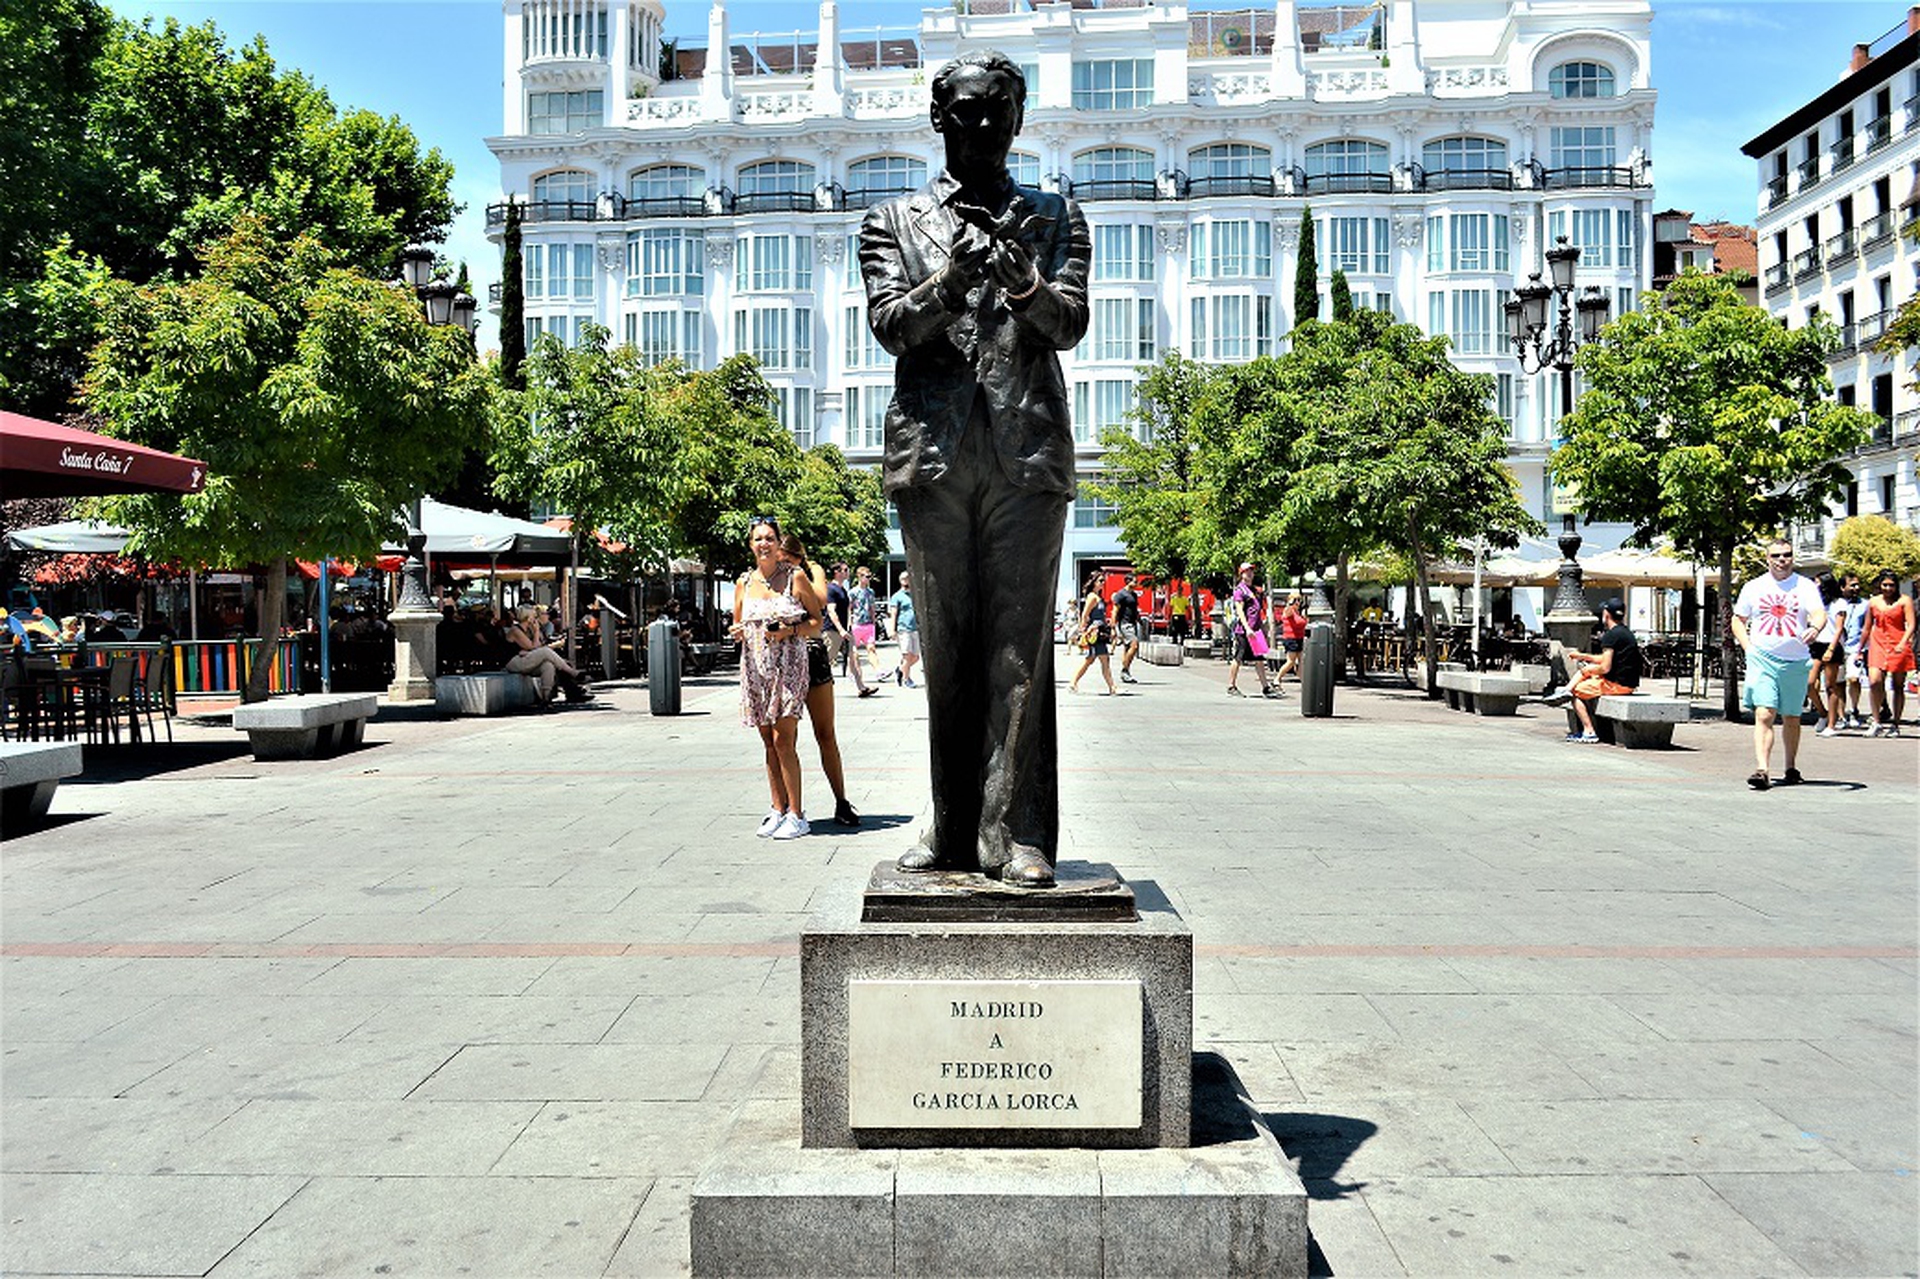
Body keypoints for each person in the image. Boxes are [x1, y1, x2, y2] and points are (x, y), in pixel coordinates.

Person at [859, 49, 1090, 887]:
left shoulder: (1057, 215)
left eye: (998, 110)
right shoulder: (891, 221)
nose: (984, 125)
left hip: (1027, 452)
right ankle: (953, 825)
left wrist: (1028, 288)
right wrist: (951, 282)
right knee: (948, 646)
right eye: (966, 111)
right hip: (933, 453)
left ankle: (1011, 832)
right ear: (938, 118)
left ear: (1020, 119)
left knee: (1018, 650)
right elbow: (891, 325)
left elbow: (1069, 325)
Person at [731, 517, 820, 840]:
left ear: (779, 542)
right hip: (755, 669)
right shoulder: (744, 582)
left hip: (790, 667)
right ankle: (777, 808)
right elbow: (738, 623)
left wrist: (788, 630)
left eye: (769, 538)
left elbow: (816, 623)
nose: (764, 544)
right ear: (751, 544)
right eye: (758, 539)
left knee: (784, 739)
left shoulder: (795, 577)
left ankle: (798, 814)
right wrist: (737, 632)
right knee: (768, 741)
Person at [1731, 539, 1826, 790]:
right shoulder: (1754, 586)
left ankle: (1791, 766)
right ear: (1767, 558)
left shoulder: (1804, 586)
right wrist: (1748, 648)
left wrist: (1815, 628)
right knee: (1764, 713)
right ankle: (1762, 770)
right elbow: (1738, 619)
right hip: (1763, 658)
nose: (1782, 560)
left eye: (1787, 555)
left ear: (1793, 557)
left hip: (1795, 661)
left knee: (1792, 717)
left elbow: (1819, 613)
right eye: (1776, 555)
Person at [784, 535, 862, 828]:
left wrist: (798, 573)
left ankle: (841, 801)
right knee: (784, 738)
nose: (784, 565)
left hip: (812, 654)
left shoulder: (812, 570)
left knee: (825, 733)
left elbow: (818, 600)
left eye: (788, 559)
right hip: (783, 658)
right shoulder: (768, 578)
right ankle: (790, 808)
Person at [1542, 598, 1641, 742]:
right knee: (1585, 675)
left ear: (1606, 614)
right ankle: (1565, 690)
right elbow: (1606, 659)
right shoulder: (1624, 633)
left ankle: (1589, 731)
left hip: (1617, 685)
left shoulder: (1610, 636)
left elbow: (1605, 667)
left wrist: (1588, 670)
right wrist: (1583, 657)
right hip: (1627, 683)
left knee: (1576, 692)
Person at [1863, 569, 1916, 736]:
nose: (1888, 588)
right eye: (1885, 585)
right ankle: (1876, 720)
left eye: (1891, 585)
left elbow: (1911, 625)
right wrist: (1859, 649)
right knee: (1874, 681)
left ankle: (1896, 723)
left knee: (1898, 685)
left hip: (1898, 643)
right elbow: (1867, 627)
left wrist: (1903, 642)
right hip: (1877, 643)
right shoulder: (1873, 602)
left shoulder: (1904, 601)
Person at [505, 604, 592, 705]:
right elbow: (534, 647)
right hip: (514, 662)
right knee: (546, 652)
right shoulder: (515, 630)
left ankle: (546, 697)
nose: (535, 618)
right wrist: (536, 632)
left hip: (526, 658)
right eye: (534, 616)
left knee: (548, 665)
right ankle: (572, 672)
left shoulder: (530, 629)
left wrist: (535, 632)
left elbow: (539, 645)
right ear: (527, 617)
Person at [1225, 563, 1275, 698]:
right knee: (1239, 657)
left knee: (1259, 658)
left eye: (1251, 571)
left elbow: (1258, 611)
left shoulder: (1254, 590)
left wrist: (1263, 627)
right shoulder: (1240, 591)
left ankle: (1265, 687)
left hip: (1256, 630)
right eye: (1246, 572)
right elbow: (1240, 611)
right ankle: (1231, 685)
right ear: (1241, 574)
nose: (1250, 574)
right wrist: (1247, 628)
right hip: (1244, 631)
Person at [823, 562, 873, 698]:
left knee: (853, 657)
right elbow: (831, 611)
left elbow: (846, 610)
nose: (847, 572)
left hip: (845, 630)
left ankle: (861, 687)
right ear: (836, 572)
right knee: (827, 660)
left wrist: (848, 627)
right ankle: (813, 687)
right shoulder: (831, 589)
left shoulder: (843, 590)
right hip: (833, 631)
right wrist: (840, 630)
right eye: (845, 570)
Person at [1067, 573, 1118, 695]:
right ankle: (1112, 687)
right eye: (1100, 580)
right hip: (1094, 632)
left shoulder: (1097, 596)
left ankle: (1073, 683)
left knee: (1091, 660)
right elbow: (1085, 614)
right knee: (1102, 659)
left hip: (1099, 631)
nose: (1103, 583)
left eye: (1103, 581)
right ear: (1094, 582)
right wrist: (1083, 630)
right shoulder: (1092, 597)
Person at [1831, 574, 1870, 731]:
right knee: (1838, 683)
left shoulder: (1865, 605)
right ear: (1842, 587)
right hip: (1838, 647)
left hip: (1856, 648)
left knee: (1854, 679)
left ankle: (1854, 710)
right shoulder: (1835, 604)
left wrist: (1863, 648)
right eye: (1852, 585)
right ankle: (1841, 716)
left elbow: (1868, 627)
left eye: (1857, 585)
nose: (1856, 588)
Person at [1807, 574, 1841, 734]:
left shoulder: (1838, 603)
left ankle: (1832, 724)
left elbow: (1839, 628)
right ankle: (1823, 713)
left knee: (1830, 686)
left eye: (1818, 583)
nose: (1815, 585)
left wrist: (1831, 649)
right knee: (1809, 683)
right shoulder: (1816, 603)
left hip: (1831, 644)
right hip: (1816, 645)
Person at [888, 572, 921, 688]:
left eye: (907, 578)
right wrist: (892, 630)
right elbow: (893, 614)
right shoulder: (897, 596)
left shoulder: (916, 595)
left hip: (915, 629)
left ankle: (901, 669)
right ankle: (907, 679)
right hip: (903, 629)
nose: (905, 580)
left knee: (916, 657)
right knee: (907, 656)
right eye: (902, 578)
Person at [848, 568, 881, 679]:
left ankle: (878, 671)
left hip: (868, 624)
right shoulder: (853, 592)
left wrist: (873, 620)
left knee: (871, 648)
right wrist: (849, 622)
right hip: (856, 623)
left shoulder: (870, 592)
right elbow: (849, 608)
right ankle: (852, 671)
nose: (868, 579)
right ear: (859, 576)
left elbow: (872, 607)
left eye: (869, 576)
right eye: (866, 576)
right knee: (854, 650)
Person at [1110, 579, 1142, 683]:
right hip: (1124, 624)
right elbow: (1115, 610)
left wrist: (1139, 619)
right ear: (1128, 582)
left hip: (1132, 623)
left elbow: (1134, 609)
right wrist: (1113, 627)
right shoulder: (1120, 594)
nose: (1137, 584)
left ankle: (1126, 671)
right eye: (1135, 581)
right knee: (1134, 645)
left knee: (1127, 648)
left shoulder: (1134, 595)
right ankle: (1124, 670)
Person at [1274, 594, 1309, 686]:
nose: (1298, 602)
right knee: (1290, 661)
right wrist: (1291, 602)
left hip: (1299, 638)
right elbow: (1288, 611)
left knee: (1301, 660)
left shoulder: (1298, 612)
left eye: (1299, 600)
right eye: (1296, 600)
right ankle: (1277, 678)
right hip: (1291, 639)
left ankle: (1303, 679)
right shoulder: (1289, 610)